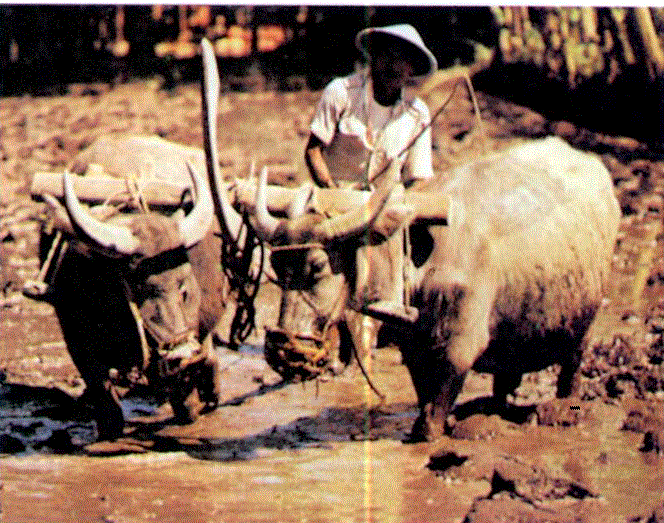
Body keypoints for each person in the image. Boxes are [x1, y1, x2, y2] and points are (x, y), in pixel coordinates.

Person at [305, 23, 437, 190]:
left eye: (403, 61)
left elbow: (418, 177)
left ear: (412, 69)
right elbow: (313, 151)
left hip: (385, 206)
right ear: (374, 57)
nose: (394, 66)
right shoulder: (341, 92)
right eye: (388, 56)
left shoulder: (418, 114)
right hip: (335, 197)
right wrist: (332, 192)